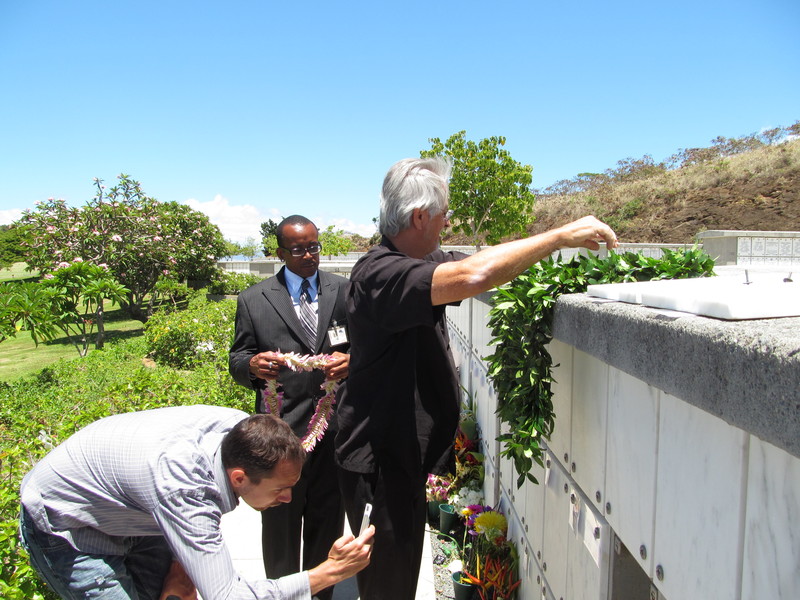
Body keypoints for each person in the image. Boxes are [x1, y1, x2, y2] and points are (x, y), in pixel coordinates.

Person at [334, 157, 619, 599]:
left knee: (400, 578)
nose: (448, 223)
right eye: (444, 214)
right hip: (379, 466)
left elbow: (483, 263)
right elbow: (472, 275)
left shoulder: (415, 260)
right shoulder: (380, 273)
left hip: (399, 459)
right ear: (419, 217)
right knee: (387, 586)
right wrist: (560, 236)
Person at [19, 405, 374, 600]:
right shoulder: (185, 491)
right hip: (70, 526)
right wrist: (327, 573)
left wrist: (182, 565)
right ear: (239, 478)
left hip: (135, 507)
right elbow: (227, 595)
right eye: (281, 489)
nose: (288, 498)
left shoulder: (242, 431)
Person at [229, 215, 349, 599]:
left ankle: (320, 592)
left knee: (326, 522)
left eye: (314, 247)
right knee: (280, 528)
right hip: (279, 437)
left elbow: (365, 343)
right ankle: (281, 593)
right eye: (298, 249)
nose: (309, 255)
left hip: (333, 431)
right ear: (280, 253)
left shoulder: (343, 291)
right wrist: (251, 365)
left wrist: (353, 361)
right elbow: (238, 357)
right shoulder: (254, 299)